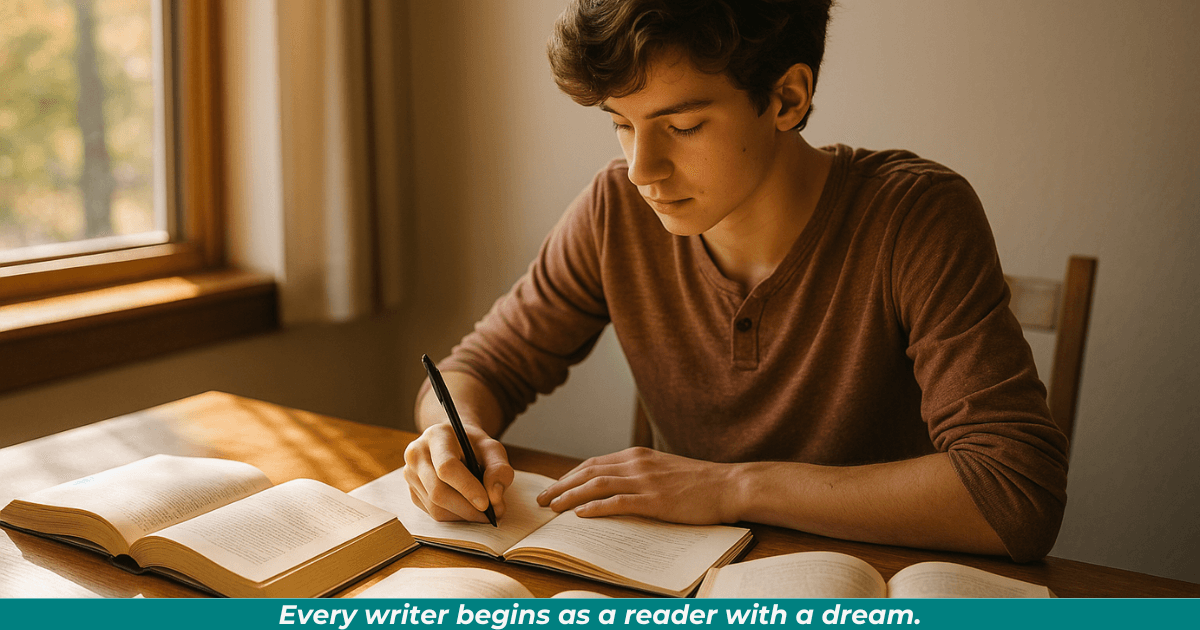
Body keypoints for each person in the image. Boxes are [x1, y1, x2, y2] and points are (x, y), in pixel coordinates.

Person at [403, 0, 1068, 563]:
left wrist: (730, 487)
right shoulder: (617, 210)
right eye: (620, 125)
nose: (641, 169)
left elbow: (1015, 492)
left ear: (787, 97)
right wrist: (449, 436)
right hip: (690, 582)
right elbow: (478, 369)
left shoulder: (915, 217)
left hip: (882, 585)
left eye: (682, 126)